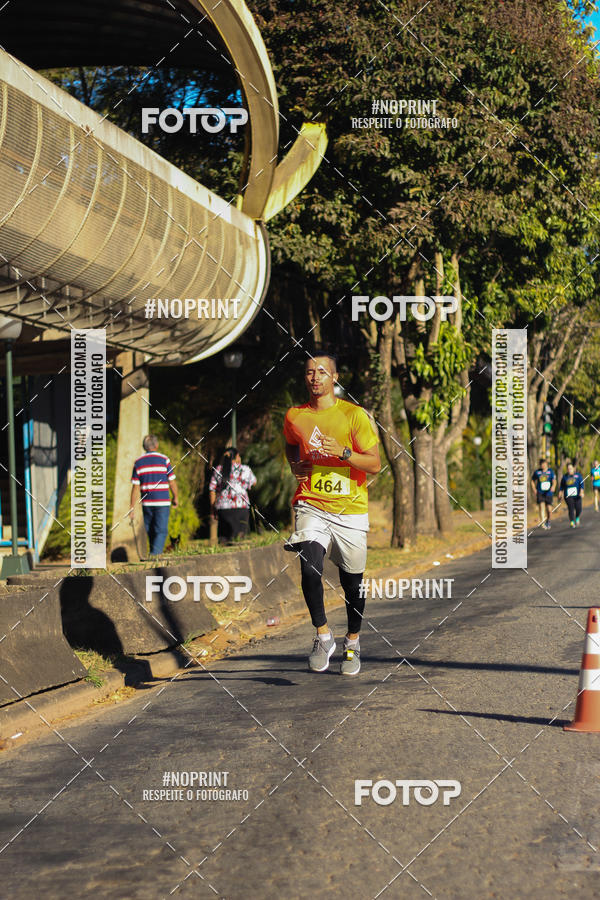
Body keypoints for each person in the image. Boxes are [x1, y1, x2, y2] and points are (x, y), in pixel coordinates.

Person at [283, 354, 381, 676]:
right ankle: (323, 636)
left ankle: (352, 642)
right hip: (311, 503)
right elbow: (290, 444)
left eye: (322, 372)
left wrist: (343, 452)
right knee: (310, 567)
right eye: (309, 372)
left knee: (352, 583)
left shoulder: (354, 416)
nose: (315, 377)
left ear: (334, 377)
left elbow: (375, 464)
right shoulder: (295, 416)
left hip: (350, 509)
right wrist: (295, 465)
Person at [129, 434, 178, 556]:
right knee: (160, 531)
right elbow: (171, 481)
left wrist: (131, 507)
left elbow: (135, 487)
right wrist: (175, 497)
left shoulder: (138, 462)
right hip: (162, 502)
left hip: (147, 503)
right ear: (157, 445)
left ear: (144, 447)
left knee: (150, 530)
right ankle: (155, 555)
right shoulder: (164, 460)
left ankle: (154, 554)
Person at [209, 447, 256, 543]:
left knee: (224, 540)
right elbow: (254, 482)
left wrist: (213, 508)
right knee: (240, 539)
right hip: (241, 508)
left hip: (223, 509)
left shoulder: (218, 470)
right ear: (238, 456)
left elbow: (212, 490)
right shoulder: (245, 469)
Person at [530, 458, 556, 530]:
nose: (543, 466)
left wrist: (553, 486)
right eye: (542, 464)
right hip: (540, 492)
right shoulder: (537, 472)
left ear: (546, 464)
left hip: (548, 492)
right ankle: (543, 522)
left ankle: (548, 521)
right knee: (541, 507)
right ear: (540, 465)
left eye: (544, 464)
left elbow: (554, 481)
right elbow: (532, 481)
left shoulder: (551, 472)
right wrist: (534, 489)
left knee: (549, 509)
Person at [558, 462, 585, 528]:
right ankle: (572, 522)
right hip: (568, 496)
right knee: (571, 508)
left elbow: (582, 484)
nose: (569, 470)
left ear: (574, 468)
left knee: (579, 508)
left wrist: (581, 492)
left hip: (577, 495)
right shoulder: (564, 477)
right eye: (568, 469)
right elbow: (561, 486)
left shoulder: (578, 476)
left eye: (570, 468)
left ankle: (577, 517)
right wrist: (560, 493)